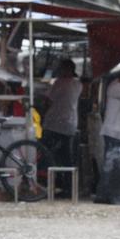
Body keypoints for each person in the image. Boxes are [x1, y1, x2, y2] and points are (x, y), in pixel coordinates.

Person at [41, 58, 82, 196]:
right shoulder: (78, 84)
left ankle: (50, 183)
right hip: (70, 125)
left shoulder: (59, 83)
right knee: (67, 158)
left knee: (47, 154)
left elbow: (47, 100)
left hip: (54, 123)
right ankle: (68, 187)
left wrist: (42, 114)